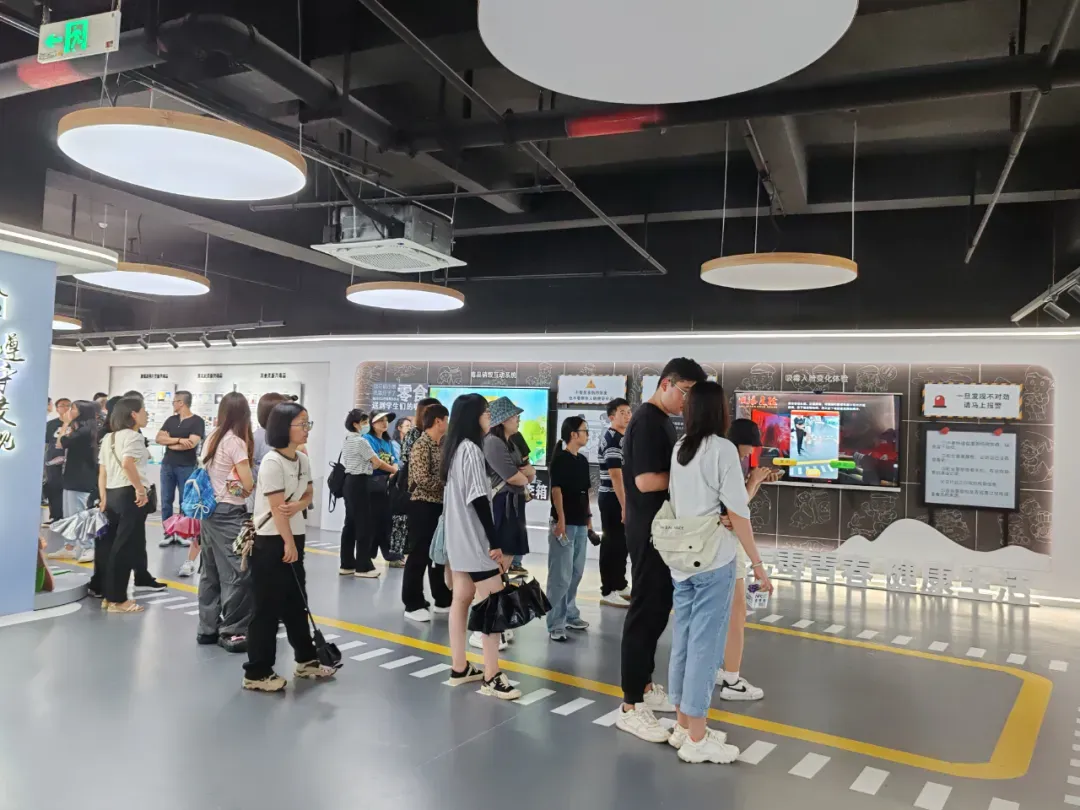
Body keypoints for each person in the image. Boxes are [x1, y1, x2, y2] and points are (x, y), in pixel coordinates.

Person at [664, 381, 772, 763]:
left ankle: (682, 726)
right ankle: (697, 738)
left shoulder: (680, 448)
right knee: (705, 648)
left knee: (684, 641)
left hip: (682, 560)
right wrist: (757, 564)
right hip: (713, 560)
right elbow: (738, 513)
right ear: (720, 412)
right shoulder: (722, 449)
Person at [616, 357, 707, 743]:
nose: (687, 401)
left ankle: (644, 685)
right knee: (645, 611)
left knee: (656, 612)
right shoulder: (647, 422)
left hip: (662, 531)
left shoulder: (662, 421)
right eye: (685, 392)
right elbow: (646, 481)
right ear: (666, 383)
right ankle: (630, 705)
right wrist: (692, 474)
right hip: (650, 531)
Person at [243, 401, 336, 692]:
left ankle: (306, 660)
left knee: (296, 602)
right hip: (272, 540)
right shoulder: (272, 462)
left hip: (294, 536)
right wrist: (288, 542)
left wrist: (299, 505)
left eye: (308, 423)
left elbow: (308, 494)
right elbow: (276, 507)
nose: (307, 429)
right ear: (284, 427)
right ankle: (257, 672)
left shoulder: (302, 459)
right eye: (302, 424)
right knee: (266, 608)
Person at [442, 393, 521, 701]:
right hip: (475, 542)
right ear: (472, 417)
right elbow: (477, 498)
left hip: (457, 541)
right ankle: (491, 675)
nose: (490, 417)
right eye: (486, 412)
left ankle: (459, 667)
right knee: (493, 604)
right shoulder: (472, 451)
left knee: (461, 599)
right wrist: (494, 540)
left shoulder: (454, 450)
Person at [713, 418, 782, 701]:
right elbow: (738, 509)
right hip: (728, 544)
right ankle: (732, 680)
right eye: (749, 446)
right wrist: (753, 482)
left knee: (720, 612)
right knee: (737, 612)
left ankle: (719, 670)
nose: (750, 452)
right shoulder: (730, 460)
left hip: (710, 546)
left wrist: (755, 481)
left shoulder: (714, 457)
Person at [197, 392, 255, 653]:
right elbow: (247, 484)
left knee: (209, 571)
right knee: (238, 571)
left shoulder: (213, 437)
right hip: (230, 512)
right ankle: (233, 631)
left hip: (209, 511)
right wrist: (242, 489)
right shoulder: (235, 442)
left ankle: (207, 628)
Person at [476, 396, 535, 650]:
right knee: (497, 564)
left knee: (505, 562)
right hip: (501, 506)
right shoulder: (493, 442)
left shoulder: (510, 442)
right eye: (514, 415)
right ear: (502, 420)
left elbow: (529, 472)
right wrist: (522, 475)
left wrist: (523, 475)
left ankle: (497, 621)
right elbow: (515, 477)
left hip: (512, 505)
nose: (518, 419)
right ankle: (486, 626)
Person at [97, 396, 152, 613]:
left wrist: (103, 497)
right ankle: (118, 600)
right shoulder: (134, 437)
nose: (147, 414)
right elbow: (128, 464)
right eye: (144, 410)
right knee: (125, 548)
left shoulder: (109, 437)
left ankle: (108, 595)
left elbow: (102, 471)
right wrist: (140, 489)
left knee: (112, 546)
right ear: (133, 414)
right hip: (129, 495)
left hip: (111, 494)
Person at [402, 402, 452, 621]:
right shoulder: (422, 445)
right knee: (419, 554)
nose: (448, 424)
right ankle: (412, 603)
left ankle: (441, 597)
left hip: (439, 505)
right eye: (446, 420)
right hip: (422, 505)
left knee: (437, 553)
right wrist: (447, 483)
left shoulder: (442, 444)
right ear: (438, 421)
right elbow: (422, 479)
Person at [546, 415, 593, 642]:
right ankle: (555, 623)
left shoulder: (582, 461)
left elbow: (585, 493)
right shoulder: (560, 460)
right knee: (560, 576)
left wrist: (589, 520)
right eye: (584, 431)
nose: (587, 435)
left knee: (576, 572)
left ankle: (570, 613)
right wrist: (561, 520)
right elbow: (556, 491)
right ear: (573, 434)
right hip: (564, 524)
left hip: (580, 523)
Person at [339, 409, 397, 578]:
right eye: (363, 422)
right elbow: (377, 462)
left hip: (349, 482)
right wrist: (393, 470)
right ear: (355, 424)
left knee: (350, 524)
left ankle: (347, 564)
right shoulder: (361, 441)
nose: (366, 425)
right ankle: (363, 567)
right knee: (364, 525)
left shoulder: (348, 439)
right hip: (361, 482)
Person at [156, 391, 205, 560]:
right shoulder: (171, 420)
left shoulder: (197, 421)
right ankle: (168, 533)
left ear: (181, 403)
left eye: (174, 402)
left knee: (185, 501)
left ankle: (183, 533)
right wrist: (177, 441)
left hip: (187, 466)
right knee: (166, 500)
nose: (173, 404)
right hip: (167, 465)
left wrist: (170, 442)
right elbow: (159, 438)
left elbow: (191, 443)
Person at [47, 400, 98, 561]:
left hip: (81, 478)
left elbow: (60, 443)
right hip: (71, 476)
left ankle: (88, 547)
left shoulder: (85, 431)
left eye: (73, 408)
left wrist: (65, 423)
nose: (70, 411)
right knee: (69, 515)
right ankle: (69, 546)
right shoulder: (80, 429)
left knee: (79, 514)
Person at [598, 397, 633, 607]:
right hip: (612, 497)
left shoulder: (623, 437)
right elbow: (615, 475)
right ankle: (608, 589)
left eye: (629, 412)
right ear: (611, 417)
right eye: (622, 412)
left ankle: (619, 584)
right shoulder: (612, 438)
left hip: (620, 497)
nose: (627, 416)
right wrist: (624, 505)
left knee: (622, 543)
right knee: (611, 543)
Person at [364, 412, 404, 567]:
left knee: (387, 521)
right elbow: (376, 462)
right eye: (380, 420)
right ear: (372, 423)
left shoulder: (388, 442)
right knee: (372, 522)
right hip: (372, 487)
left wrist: (394, 469)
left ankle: (392, 556)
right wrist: (393, 470)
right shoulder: (367, 439)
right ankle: (366, 557)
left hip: (387, 487)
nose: (384, 423)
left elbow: (395, 459)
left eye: (386, 420)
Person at [42, 398, 70, 526]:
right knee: (53, 487)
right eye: (62, 405)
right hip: (53, 461)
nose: (65, 408)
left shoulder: (76, 424)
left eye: (68, 405)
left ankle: (67, 517)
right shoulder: (51, 424)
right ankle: (55, 516)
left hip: (70, 462)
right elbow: (46, 443)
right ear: (57, 409)